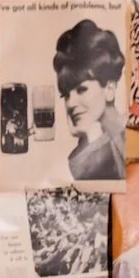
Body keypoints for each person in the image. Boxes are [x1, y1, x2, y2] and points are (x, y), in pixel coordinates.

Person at [52, 18, 125, 183]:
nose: (70, 103)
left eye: (81, 89)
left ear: (109, 89)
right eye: (66, 95)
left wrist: (93, 142)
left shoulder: (127, 142)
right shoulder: (95, 142)